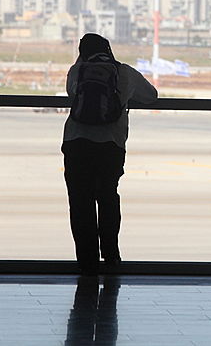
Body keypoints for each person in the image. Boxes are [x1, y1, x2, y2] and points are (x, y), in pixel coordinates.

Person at [62, 33, 158, 275]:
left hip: (76, 143)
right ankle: (111, 255)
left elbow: (72, 94)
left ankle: (87, 261)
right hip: (111, 145)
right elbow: (151, 96)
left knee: (80, 202)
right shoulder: (124, 72)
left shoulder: (77, 71)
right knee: (107, 198)